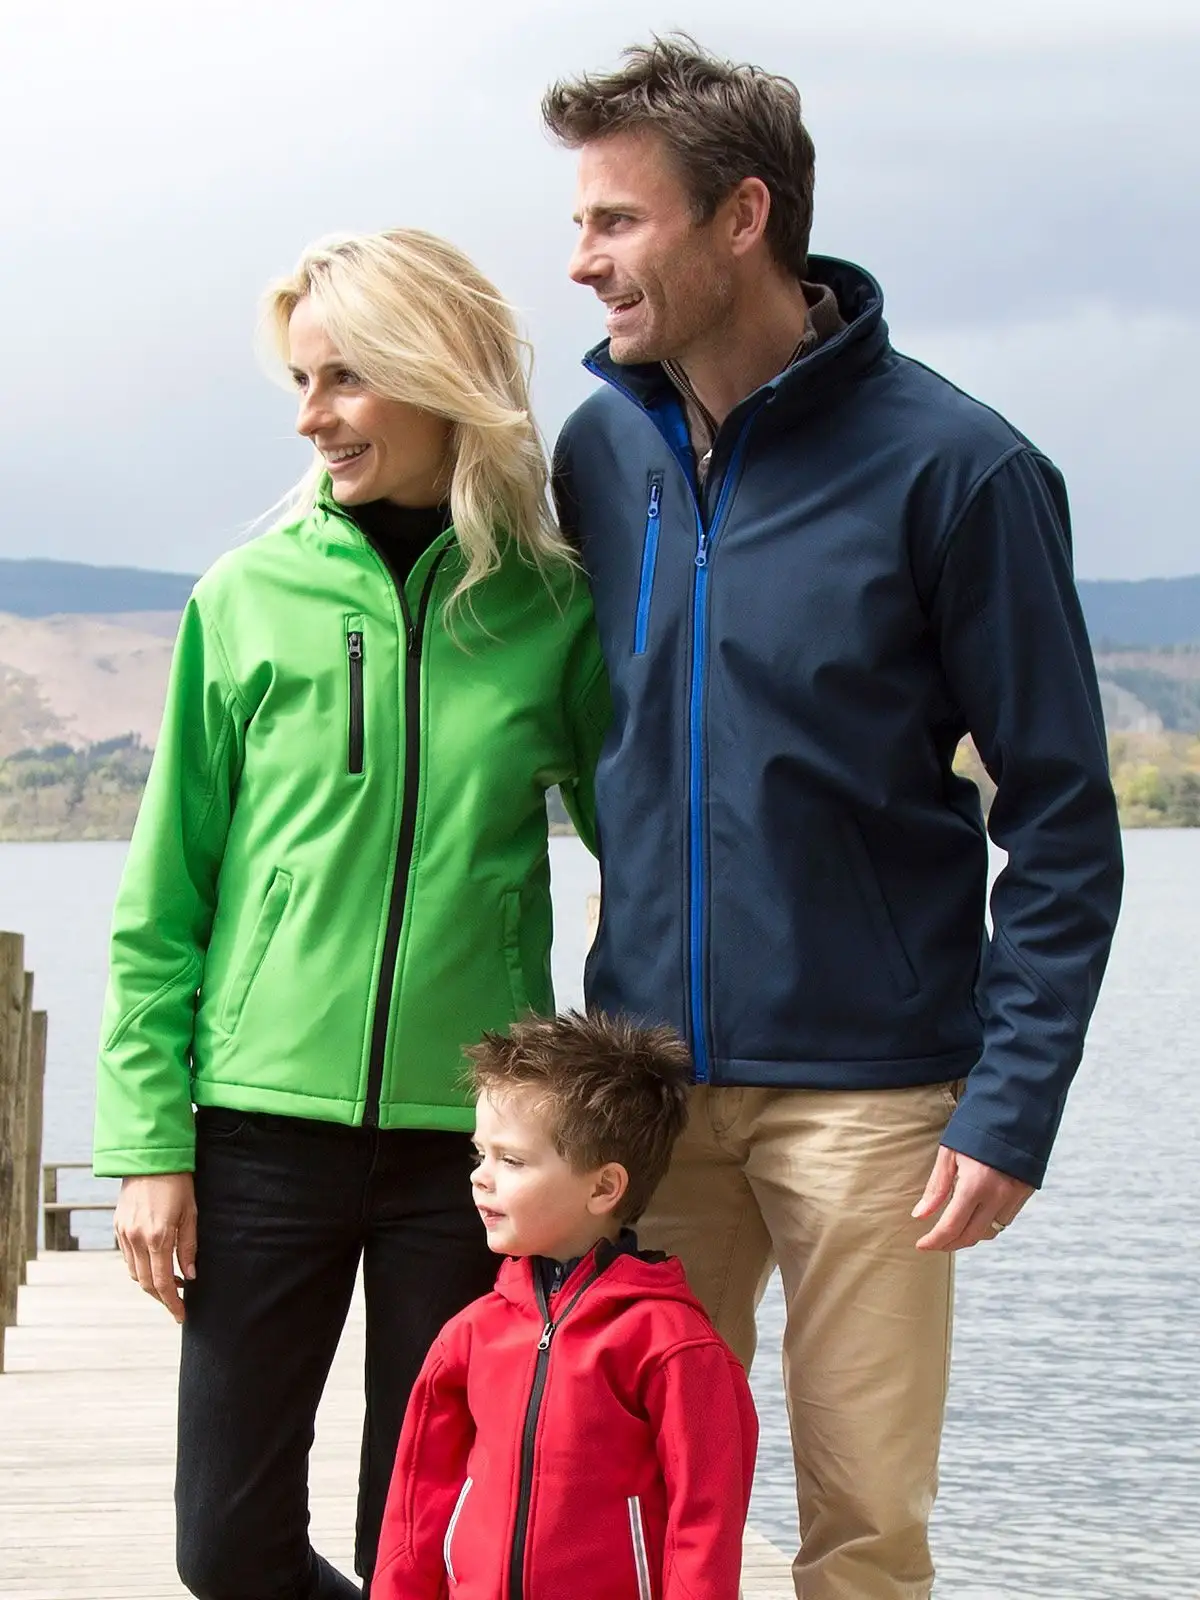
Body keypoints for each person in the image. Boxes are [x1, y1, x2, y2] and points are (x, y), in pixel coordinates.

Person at [542, 37, 1124, 1600]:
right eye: (579, 222)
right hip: (644, 1086)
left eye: (616, 221)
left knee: (863, 1524)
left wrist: (1013, 1102)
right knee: (629, 1505)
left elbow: (1065, 820)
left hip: (872, 1096)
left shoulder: (960, 468)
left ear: (743, 217)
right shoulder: (601, 452)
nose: (581, 260)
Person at [93, 229, 610, 1600]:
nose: (311, 417)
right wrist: (148, 1144)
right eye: (301, 382)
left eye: (343, 379)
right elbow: (164, 898)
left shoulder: (549, 608)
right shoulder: (247, 596)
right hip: (258, 1132)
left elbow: (649, 853)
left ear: (437, 376)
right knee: (227, 1546)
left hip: (473, 1150)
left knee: (420, 1542)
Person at [373, 1010, 759, 1600]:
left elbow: (705, 1525)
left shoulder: (672, 1345)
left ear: (603, 1187)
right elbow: (415, 1503)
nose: (481, 1178)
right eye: (480, 1155)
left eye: (511, 1160)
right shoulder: (470, 1334)